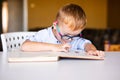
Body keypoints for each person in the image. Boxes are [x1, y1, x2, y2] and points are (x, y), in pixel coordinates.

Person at [21, 3, 104, 57]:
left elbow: (87, 44)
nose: (70, 39)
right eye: (66, 34)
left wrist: (92, 50)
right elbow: (25, 46)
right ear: (55, 26)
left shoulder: (74, 39)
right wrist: (55, 47)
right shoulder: (45, 35)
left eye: (76, 35)